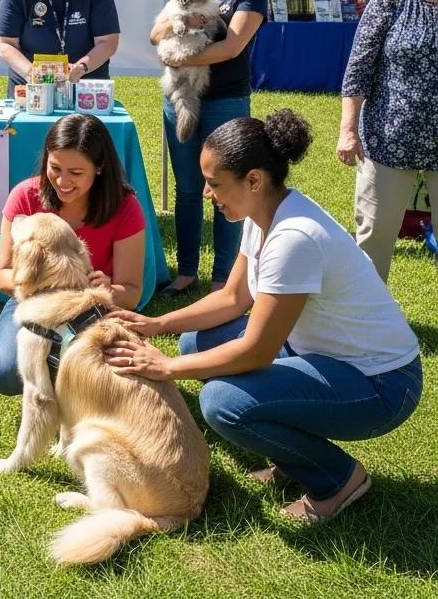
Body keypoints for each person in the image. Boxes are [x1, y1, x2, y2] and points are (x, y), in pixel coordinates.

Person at [105, 110, 421, 523]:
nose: (206, 193)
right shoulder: (264, 213)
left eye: (214, 183)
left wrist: (166, 367)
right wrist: (158, 325)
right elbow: (234, 298)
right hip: (331, 358)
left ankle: (338, 479)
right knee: (196, 342)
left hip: (382, 386)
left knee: (223, 403)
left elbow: (255, 351)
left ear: (254, 180)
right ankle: (292, 457)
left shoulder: (294, 238)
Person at [0, 113, 146, 395]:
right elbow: (3, 276)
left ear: (99, 168)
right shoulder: (25, 195)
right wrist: (55, 286)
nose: (62, 181)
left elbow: (131, 293)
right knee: (5, 375)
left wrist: (107, 288)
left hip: (91, 307)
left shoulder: (125, 207)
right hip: (34, 299)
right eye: (55, 167)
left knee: (106, 381)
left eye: (76, 172)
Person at [150, 0, 267, 297]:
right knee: (186, 189)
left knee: (228, 189)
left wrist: (178, 57)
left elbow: (232, 47)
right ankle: (185, 272)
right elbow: (156, 33)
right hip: (180, 96)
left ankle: (223, 278)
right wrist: (175, 30)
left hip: (225, 102)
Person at [338, 0, 438, 281]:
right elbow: (358, 68)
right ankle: (368, 328)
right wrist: (349, 130)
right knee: (373, 239)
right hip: (387, 141)